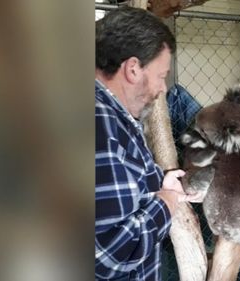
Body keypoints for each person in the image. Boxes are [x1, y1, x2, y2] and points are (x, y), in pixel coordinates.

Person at [95, 7, 198, 281]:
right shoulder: (99, 122)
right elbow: (111, 255)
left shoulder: (115, 114)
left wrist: (162, 184)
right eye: (162, 76)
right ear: (132, 69)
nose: (164, 88)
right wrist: (167, 201)